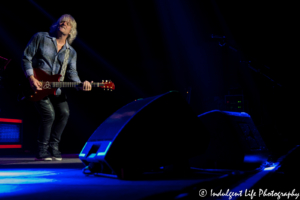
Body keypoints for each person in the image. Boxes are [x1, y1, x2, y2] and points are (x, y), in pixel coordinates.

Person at [22, 14, 92, 161]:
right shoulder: (41, 37)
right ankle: (42, 150)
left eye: (68, 23)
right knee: (49, 115)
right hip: (37, 85)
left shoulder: (70, 52)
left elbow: (72, 73)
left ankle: (54, 148)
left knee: (64, 113)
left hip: (55, 88)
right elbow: (26, 57)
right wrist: (31, 78)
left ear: (71, 30)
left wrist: (81, 85)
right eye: (62, 21)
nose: (64, 23)